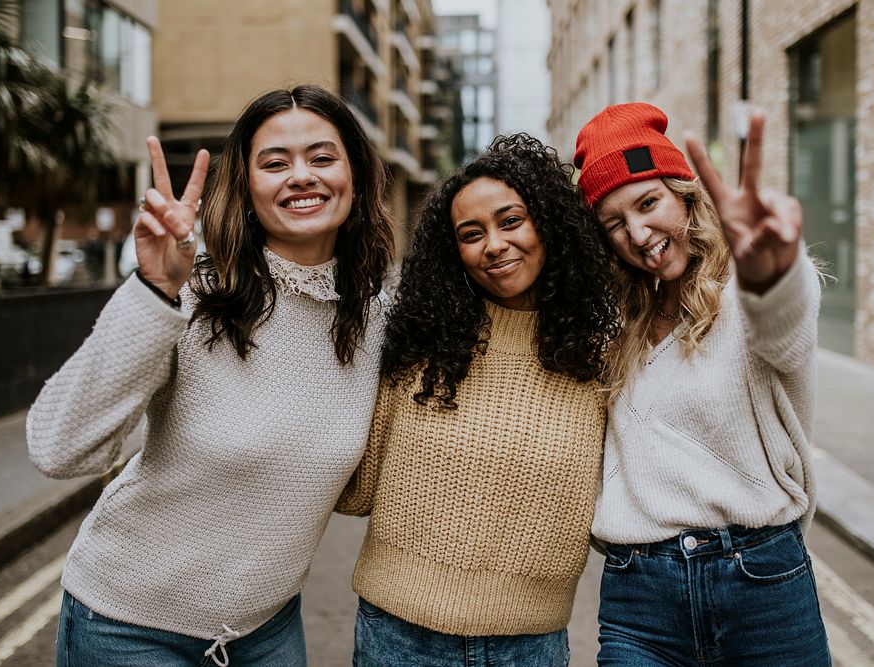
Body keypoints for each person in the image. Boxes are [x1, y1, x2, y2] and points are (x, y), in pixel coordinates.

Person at [26, 84, 394, 667]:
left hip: (267, 629)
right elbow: (57, 448)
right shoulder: (196, 291)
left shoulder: (374, 317)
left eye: (322, 157)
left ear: (356, 176)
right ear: (248, 190)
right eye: (275, 163)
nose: (301, 176)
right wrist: (154, 293)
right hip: (129, 628)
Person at [336, 134, 622, 665]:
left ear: (550, 225)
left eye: (510, 221)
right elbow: (355, 490)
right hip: (399, 635)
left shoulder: (604, 355)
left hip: (529, 644)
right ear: (454, 252)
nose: (493, 244)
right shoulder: (417, 344)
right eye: (471, 234)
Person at [573, 102, 829, 666]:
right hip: (639, 598)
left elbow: (784, 331)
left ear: (685, 196)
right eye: (614, 223)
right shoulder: (612, 319)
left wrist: (773, 272)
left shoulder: (747, 288)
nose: (638, 234)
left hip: (762, 585)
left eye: (648, 203)